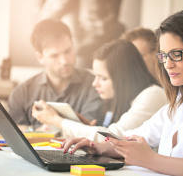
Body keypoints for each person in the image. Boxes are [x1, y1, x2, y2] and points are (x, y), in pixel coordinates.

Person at [62, 10, 183, 175]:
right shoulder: (177, 106)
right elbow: (131, 139)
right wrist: (99, 147)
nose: (167, 65)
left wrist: (150, 160)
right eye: (164, 55)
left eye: (176, 54)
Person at [32, 39, 168, 141]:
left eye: (102, 78)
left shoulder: (153, 95)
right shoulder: (121, 101)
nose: (94, 83)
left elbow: (113, 138)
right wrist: (86, 128)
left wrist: (57, 121)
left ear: (123, 78)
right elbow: (106, 135)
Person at [8, 19, 104, 132]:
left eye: (68, 51)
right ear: (40, 57)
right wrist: (36, 131)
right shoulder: (20, 93)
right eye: (54, 56)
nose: (64, 61)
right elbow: (13, 133)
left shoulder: (96, 86)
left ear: (73, 45)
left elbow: (89, 131)